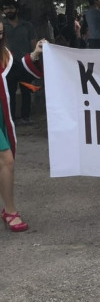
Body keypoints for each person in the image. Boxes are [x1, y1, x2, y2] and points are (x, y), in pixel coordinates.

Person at [0, 20, 44, 231]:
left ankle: (10, 210)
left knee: (6, 161)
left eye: (0, 33)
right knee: (5, 161)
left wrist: (35, 54)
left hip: (1, 116)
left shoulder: (5, 57)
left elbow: (19, 72)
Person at [1, 0, 38, 124]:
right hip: (8, 64)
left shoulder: (27, 25)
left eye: (11, 8)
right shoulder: (2, 26)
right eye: (5, 8)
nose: (8, 10)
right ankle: (11, 119)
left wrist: (34, 59)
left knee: (26, 91)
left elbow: (33, 44)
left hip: (25, 63)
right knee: (9, 92)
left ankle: (25, 117)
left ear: (16, 9)